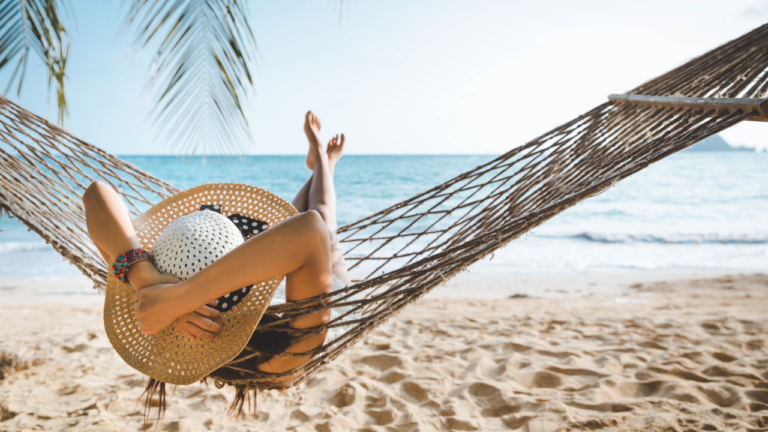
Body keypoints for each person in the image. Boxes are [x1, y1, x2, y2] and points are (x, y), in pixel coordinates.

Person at [82, 111, 348, 376]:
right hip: (317, 289)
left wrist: (147, 279)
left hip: (266, 265)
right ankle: (325, 162)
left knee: (297, 218)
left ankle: (321, 162)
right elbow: (312, 230)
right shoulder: (283, 354)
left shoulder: (148, 304)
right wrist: (178, 299)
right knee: (324, 215)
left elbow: (95, 194)